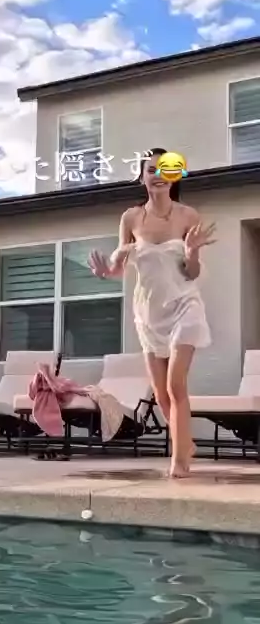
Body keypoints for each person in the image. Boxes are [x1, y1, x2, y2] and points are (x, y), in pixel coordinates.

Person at [88, 148, 216, 478]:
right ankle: (186, 443)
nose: (158, 175)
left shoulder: (188, 216)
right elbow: (120, 266)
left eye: (166, 169)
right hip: (148, 313)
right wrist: (106, 273)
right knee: (160, 395)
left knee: (175, 385)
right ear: (142, 176)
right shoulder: (130, 218)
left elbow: (192, 272)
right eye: (151, 169)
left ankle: (179, 460)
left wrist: (192, 252)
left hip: (184, 306)